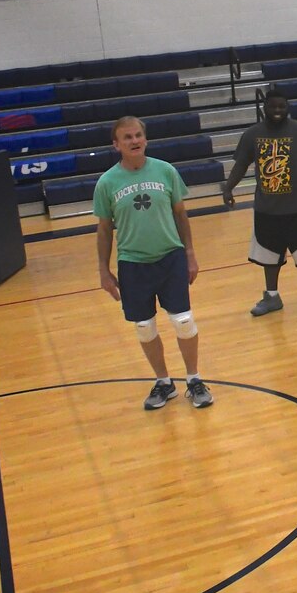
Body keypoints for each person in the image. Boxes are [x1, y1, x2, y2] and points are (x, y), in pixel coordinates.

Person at [94, 116, 213, 410]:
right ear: (116, 144)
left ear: (145, 139)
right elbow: (104, 229)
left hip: (171, 257)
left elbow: (181, 214)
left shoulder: (165, 171)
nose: (134, 141)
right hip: (132, 264)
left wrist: (190, 254)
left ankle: (194, 380)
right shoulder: (107, 182)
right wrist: (103, 270)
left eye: (138, 135)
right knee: (144, 326)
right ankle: (163, 382)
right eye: (127, 137)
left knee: (183, 321)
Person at [222, 88, 297, 315]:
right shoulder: (252, 134)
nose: (277, 110)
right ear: (264, 107)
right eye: (273, 106)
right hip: (267, 208)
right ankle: (272, 297)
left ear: (288, 107)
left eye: (282, 106)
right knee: (269, 255)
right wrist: (228, 188)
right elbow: (241, 164)